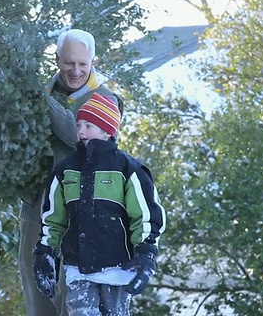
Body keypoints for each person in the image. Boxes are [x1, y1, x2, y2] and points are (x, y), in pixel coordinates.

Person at [19, 29, 124, 316]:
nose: (76, 70)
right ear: (57, 60)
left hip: (82, 211)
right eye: (69, 63)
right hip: (37, 208)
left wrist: (41, 98)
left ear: (93, 61)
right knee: (36, 291)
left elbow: (75, 134)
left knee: (73, 297)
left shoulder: (106, 99)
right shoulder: (41, 92)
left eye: (82, 63)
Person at [32, 93, 166, 316]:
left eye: (89, 125)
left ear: (107, 131)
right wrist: (45, 252)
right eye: (79, 125)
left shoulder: (127, 169)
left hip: (117, 268)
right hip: (78, 268)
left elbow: (145, 215)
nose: (81, 131)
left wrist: (146, 253)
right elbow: (52, 218)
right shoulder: (65, 170)